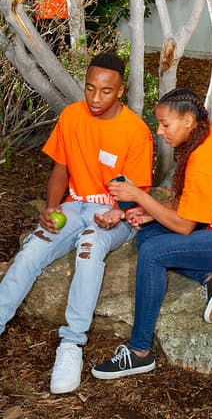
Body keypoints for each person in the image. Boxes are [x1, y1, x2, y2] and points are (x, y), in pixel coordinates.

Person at [91, 88, 212, 380]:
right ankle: (211, 276)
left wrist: (140, 197)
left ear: (188, 121)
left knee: (153, 252)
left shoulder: (204, 156)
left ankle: (139, 351)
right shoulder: (211, 136)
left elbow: (184, 225)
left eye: (165, 125)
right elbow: (190, 201)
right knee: (146, 235)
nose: (160, 132)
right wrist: (148, 214)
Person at [0, 53, 153, 394]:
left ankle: (71, 345)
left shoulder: (135, 132)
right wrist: (51, 207)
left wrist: (113, 213)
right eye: (90, 88)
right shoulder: (71, 116)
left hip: (117, 213)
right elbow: (61, 170)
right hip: (74, 205)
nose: (95, 98)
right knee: (32, 248)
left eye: (106, 91)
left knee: (89, 246)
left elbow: (136, 195)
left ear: (121, 91)